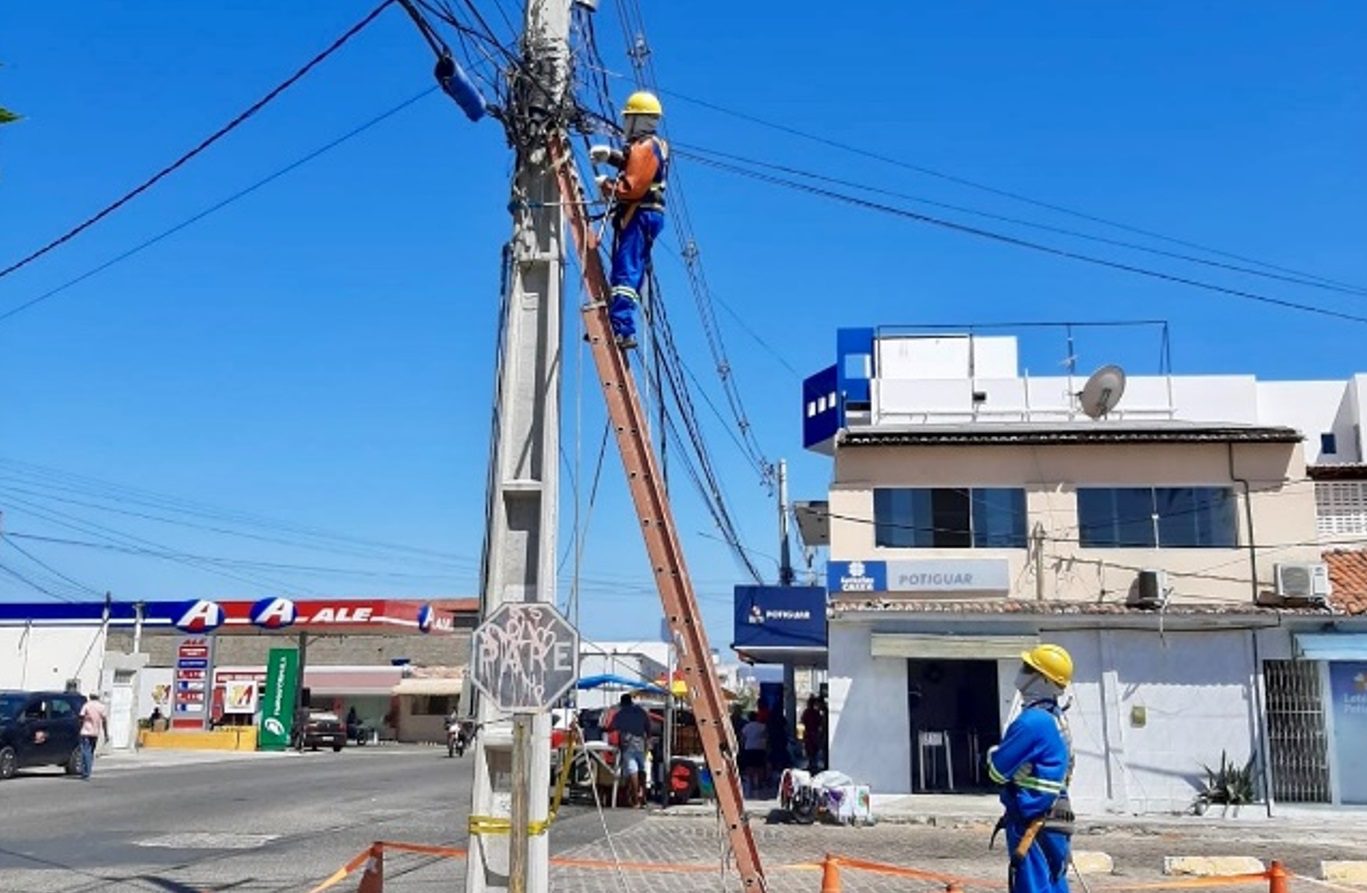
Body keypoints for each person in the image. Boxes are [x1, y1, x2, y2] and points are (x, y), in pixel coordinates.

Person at [988, 645, 1076, 893]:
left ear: (1045, 680)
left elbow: (996, 771)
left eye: (1029, 668)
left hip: (1032, 821)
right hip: (1056, 819)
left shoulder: (1032, 722)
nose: (1021, 673)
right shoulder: (1056, 718)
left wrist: (994, 756)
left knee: (1034, 887)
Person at [589, 91, 668, 350]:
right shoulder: (650, 146)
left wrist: (607, 185)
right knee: (629, 268)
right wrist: (610, 156)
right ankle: (619, 322)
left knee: (626, 269)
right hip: (646, 215)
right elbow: (632, 162)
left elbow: (632, 186)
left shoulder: (646, 146)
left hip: (640, 213)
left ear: (638, 120)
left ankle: (622, 327)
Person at [606, 694, 650, 808]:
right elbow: (648, 726)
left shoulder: (620, 714)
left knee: (632, 770)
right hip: (640, 742)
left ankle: (636, 800)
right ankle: (644, 796)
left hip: (628, 744)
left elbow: (611, 727)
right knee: (641, 768)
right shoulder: (641, 711)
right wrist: (648, 740)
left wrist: (606, 728)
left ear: (622, 704)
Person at [78, 693, 109, 780]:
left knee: (85, 752)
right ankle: (87, 771)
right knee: (90, 752)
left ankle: (85, 772)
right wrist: (106, 733)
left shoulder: (87, 705)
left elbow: (81, 716)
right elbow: (104, 721)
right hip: (95, 732)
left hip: (85, 731)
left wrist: (80, 726)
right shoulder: (101, 707)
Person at [738, 711, 768, 798]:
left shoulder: (746, 727)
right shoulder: (762, 726)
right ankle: (759, 783)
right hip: (760, 748)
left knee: (750, 766)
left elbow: (742, 738)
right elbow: (767, 737)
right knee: (760, 766)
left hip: (749, 747)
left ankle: (751, 783)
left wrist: (742, 746)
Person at [801, 695, 826, 773]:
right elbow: (820, 722)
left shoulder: (807, 712)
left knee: (810, 750)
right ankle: (814, 765)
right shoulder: (816, 713)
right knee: (814, 750)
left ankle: (811, 765)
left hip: (809, 733)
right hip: (814, 733)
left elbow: (803, 721)